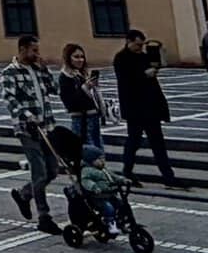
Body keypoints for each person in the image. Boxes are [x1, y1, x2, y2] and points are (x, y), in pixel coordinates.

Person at [0, 34, 63, 235]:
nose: (37, 54)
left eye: (37, 50)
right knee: (40, 172)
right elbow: (10, 99)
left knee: (53, 170)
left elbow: (55, 90)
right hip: (27, 129)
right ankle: (44, 217)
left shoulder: (38, 70)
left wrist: (45, 69)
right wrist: (27, 116)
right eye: (33, 50)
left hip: (47, 126)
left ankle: (24, 194)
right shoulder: (10, 72)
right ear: (23, 49)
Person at [112, 30, 181, 188]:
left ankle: (168, 176)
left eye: (141, 45)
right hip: (135, 108)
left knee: (158, 142)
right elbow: (126, 82)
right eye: (137, 44)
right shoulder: (121, 58)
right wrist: (144, 75)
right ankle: (127, 171)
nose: (140, 47)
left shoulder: (143, 56)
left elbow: (152, 83)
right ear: (128, 41)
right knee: (133, 141)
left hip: (150, 107)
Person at [56, 43, 102, 147]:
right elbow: (70, 102)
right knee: (87, 154)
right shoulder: (65, 77)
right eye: (76, 57)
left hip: (93, 118)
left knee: (98, 152)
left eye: (82, 57)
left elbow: (91, 97)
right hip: (81, 120)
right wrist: (85, 88)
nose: (80, 60)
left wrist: (93, 89)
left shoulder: (82, 74)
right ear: (68, 58)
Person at [78, 145, 132, 232]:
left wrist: (122, 180)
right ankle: (110, 224)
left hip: (110, 193)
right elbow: (86, 181)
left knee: (122, 205)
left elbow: (113, 176)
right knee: (109, 208)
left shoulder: (103, 169)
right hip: (98, 197)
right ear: (92, 161)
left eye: (103, 158)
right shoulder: (87, 170)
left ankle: (122, 221)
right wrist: (94, 187)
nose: (103, 161)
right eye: (99, 159)